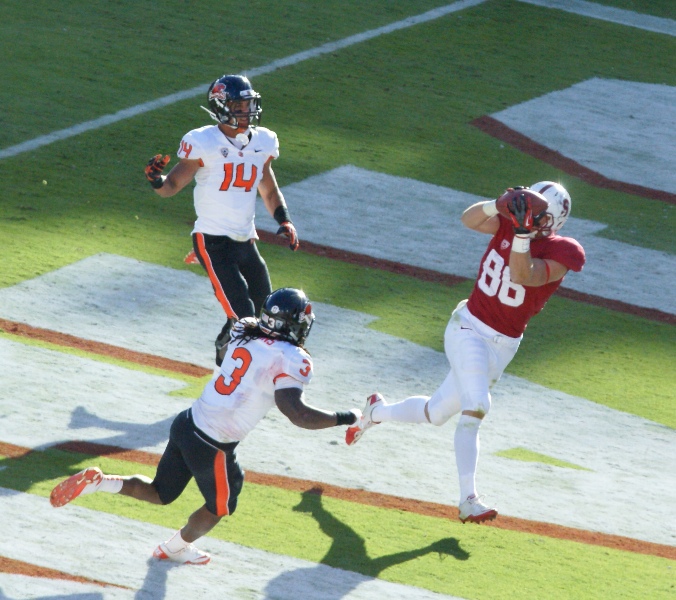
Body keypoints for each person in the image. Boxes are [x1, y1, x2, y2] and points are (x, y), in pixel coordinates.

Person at [50, 288, 360, 565]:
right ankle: (173, 548)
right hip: (213, 445)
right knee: (221, 506)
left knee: (161, 492)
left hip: (188, 422)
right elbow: (298, 414)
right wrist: (347, 417)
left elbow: (224, 353)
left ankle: (99, 482)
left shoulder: (245, 328)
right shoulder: (291, 357)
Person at [345, 182, 585, 524]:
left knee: (435, 413)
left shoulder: (564, 250)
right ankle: (468, 500)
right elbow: (468, 219)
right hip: (468, 328)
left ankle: (376, 412)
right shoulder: (510, 224)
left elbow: (524, 274)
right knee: (478, 405)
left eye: (537, 214)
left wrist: (520, 232)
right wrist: (496, 205)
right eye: (528, 210)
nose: (529, 217)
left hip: (503, 346)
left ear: (553, 221)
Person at [143, 74, 300, 365]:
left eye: (248, 105)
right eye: (239, 106)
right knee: (245, 317)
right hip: (212, 241)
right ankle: (229, 365)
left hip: (246, 240)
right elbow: (172, 186)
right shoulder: (203, 142)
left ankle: (231, 342)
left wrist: (285, 220)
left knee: (266, 314)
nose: (246, 111)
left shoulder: (263, 141)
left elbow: (268, 189)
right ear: (221, 107)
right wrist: (156, 180)